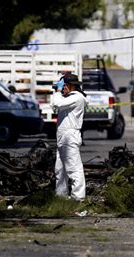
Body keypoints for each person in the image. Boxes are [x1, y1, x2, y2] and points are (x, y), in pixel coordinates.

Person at [52, 73, 88, 202]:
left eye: (63, 86)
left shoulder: (77, 97)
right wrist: (60, 93)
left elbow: (58, 104)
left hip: (70, 136)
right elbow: (56, 107)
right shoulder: (68, 98)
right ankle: (61, 197)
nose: (62, 89)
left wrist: (57, 91)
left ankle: (78, 197)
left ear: (70, 85)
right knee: (60, 170)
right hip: (63, 136)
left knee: (74, 168)